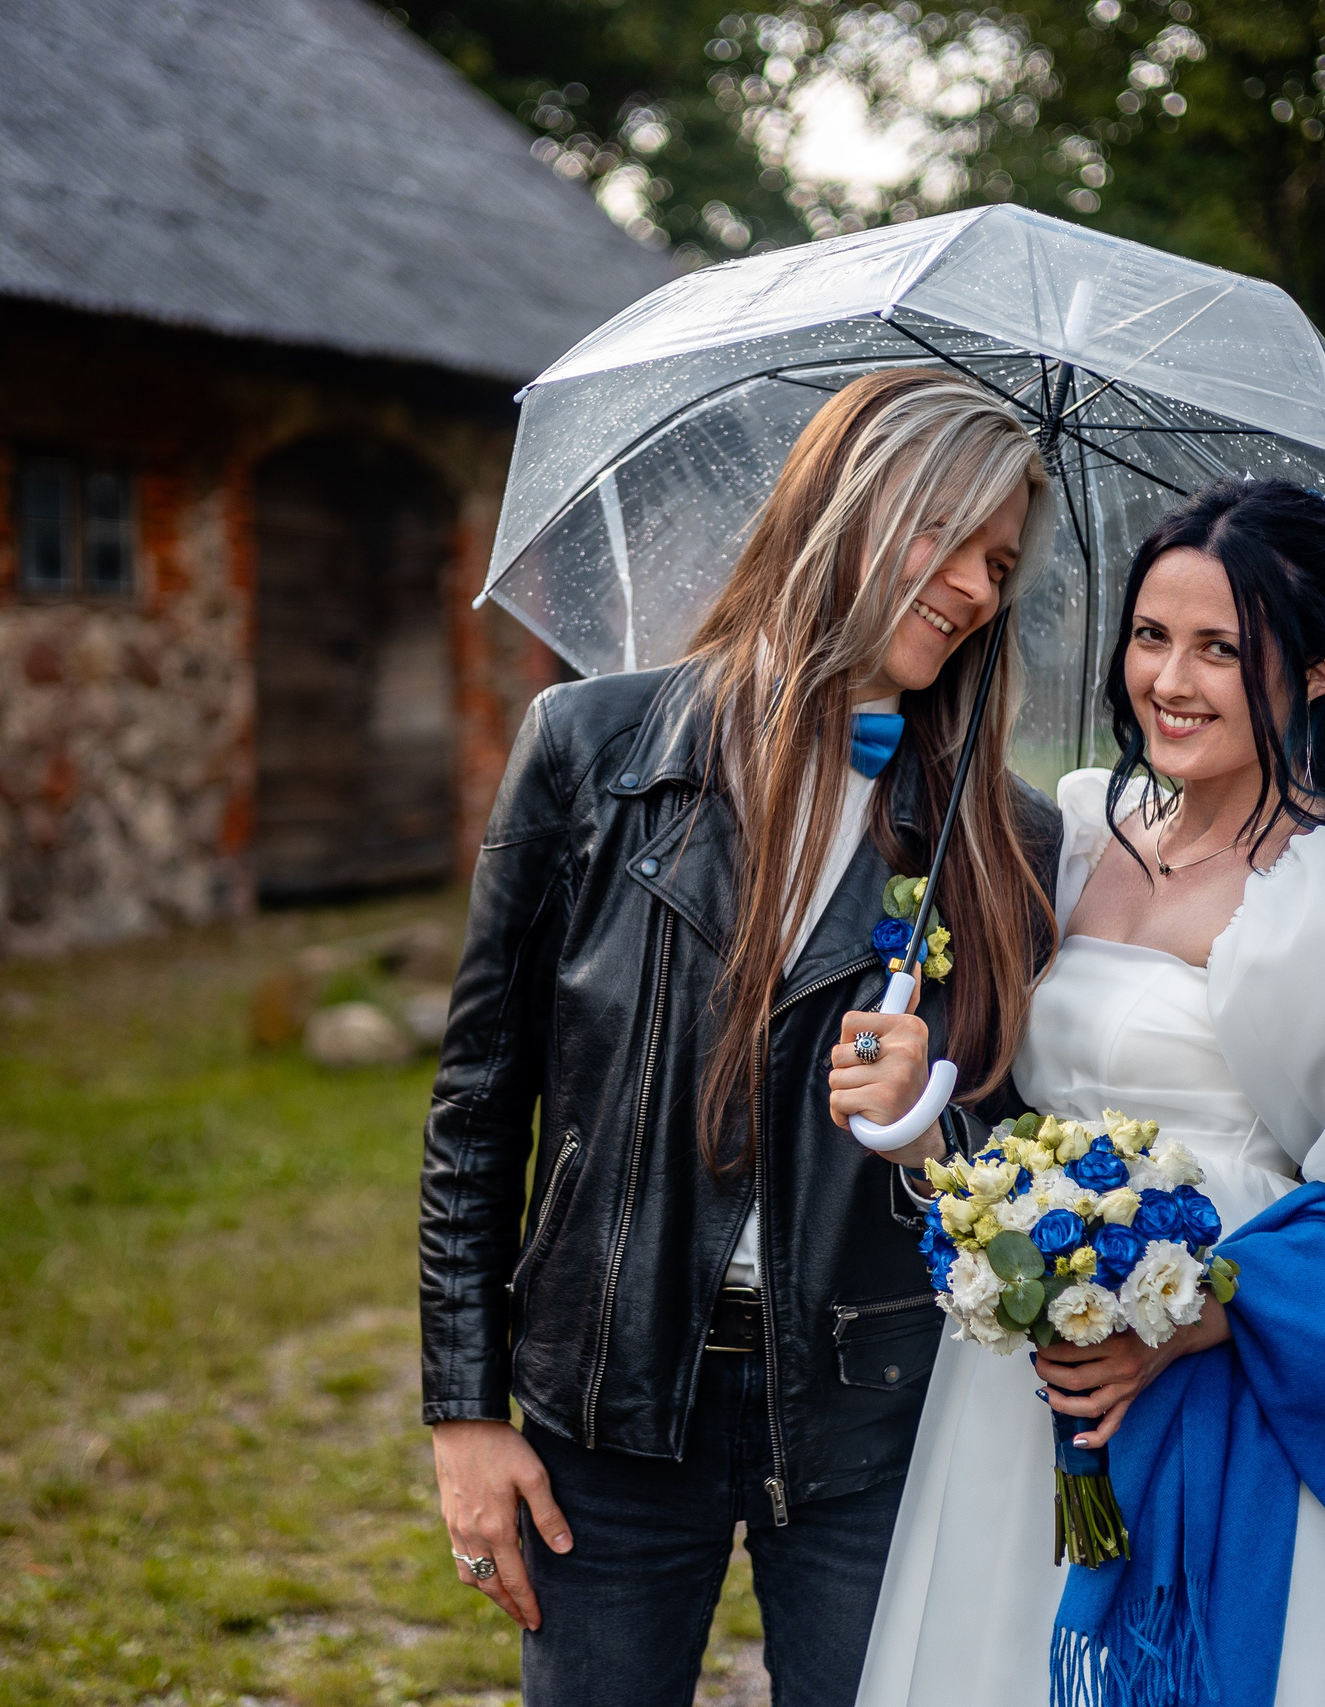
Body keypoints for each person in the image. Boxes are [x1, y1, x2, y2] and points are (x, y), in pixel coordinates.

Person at [843, 477, 1325, 1706]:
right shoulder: (1079, 833)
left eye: (1222, 650)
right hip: (1018, 1373)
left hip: (1233, 1370)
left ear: (1313, 672)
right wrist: (919, 1116)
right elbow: (1021, 1112)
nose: (1171, 682)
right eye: (1151, 637)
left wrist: (1204, 1314)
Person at [420, 368, 1066, 1707]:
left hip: (870, 1411)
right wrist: (466, 1410)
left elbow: (1022, 1156)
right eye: (942, 537)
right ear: (843, 509)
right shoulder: (592, 751)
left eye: (1000, 561)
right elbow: (481, 1101)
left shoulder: (1002, 837)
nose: (974, 588)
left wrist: (931, 1113)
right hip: (607, 1398)